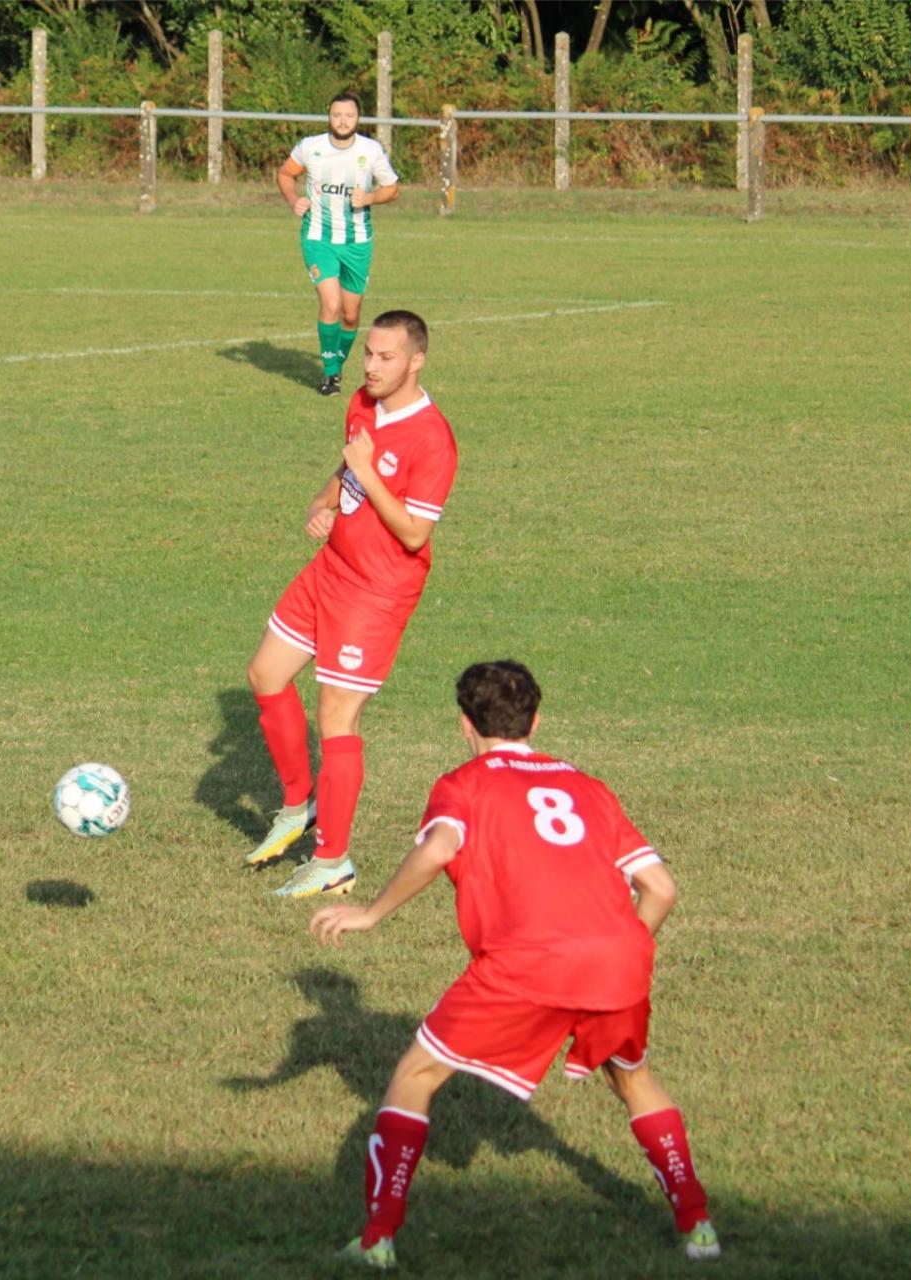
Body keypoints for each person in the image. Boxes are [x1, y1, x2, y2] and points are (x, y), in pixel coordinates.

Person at [308, 661, 719, 1269]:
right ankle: (699, 1226)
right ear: (537, 720)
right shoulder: (589, 786)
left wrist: (371, 913)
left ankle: (377, 1240)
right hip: (620, 957)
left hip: (526, 963)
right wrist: (616, 948)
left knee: (416, 1076)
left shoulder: (465, 783)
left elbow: (440, 847)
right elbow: (660, 888)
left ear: (464, 725)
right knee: (632, 1077)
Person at [243, 310, 455, 898]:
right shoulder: (362, 403)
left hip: (376, 593)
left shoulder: (433, 439)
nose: (371, 366)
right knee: (265, 674)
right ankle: (296, 807)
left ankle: (333, 861)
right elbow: (348, 471)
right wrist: (325, 497)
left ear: (416, 361)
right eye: (368, 354)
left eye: (386, 358)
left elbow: (414, 533)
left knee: (336, 717)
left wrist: (367, 472)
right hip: (330, 570)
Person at [277, 91, 400, 396]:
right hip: (318, 237)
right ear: (329, 116)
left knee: (349, 315)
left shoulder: (370, 151)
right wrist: (293, 199)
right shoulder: (310, 147)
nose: (342, 121)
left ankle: (337, 362)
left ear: (357, 118)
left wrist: (370, 197)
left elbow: (392, 188)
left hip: (357, 242)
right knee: (330, 304)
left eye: (349, 115)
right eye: (337, 115)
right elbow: (285, 173)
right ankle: (330, 375)